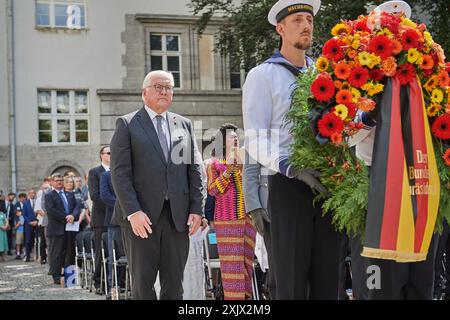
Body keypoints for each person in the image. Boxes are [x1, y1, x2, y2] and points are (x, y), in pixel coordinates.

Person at [243, 0, 343, 299]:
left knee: (330, 279)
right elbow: (255, 137)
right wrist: (289, 165)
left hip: (328, 185)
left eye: (309, 19)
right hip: (289, 185)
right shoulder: (263, 75)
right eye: (298, 19)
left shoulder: (325, 75)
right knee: (290, 282)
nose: (306, 25)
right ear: (281, 28)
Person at [110, 70, 204, 300]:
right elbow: (120, 173)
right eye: (158, 87)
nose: (164, 91)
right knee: (143, 285)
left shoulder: (184, 124)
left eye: (169, 87)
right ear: (144, 93)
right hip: (141, 219)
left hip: (177, 217)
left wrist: (196, 209)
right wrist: (133, 212)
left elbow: (193, 170)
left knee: (174, 285)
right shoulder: (128, 124)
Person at [206, 123, 256, 300]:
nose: (235, 138)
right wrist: (227, 173)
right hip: (227, 220)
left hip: (248, 219)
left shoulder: (244, 159)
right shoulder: (214, 163)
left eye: (236, 135)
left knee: (246, 265)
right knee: (231, 266)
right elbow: (212, 190)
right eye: (231, 136)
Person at [242, 150, 275, 299]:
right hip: (271, 209)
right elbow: (250, 169)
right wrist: (254, 207)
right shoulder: (258, 129)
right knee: (279, 271)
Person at [45, 173, 80, 285]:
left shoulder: (69, 194)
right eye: (57, 180)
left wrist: (73, 216)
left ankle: (69, 277)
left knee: (69, 253)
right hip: (56, 228)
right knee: (56, 254)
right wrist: (66, 217)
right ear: (52, 182)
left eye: (61, 180)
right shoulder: (49, 195)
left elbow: (76, 207)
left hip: (69, 229)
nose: (59, 182)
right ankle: (56, 277)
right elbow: (51, 210)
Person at [88, 145, 110, 294]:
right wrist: (116, 205)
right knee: (101, 252)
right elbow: (95, 195)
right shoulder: (95, 172)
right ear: (101, 155)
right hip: (101, 218)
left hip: (117, 219)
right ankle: (99, 283)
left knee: (116, 252)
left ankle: (117, 282)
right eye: (109, 152)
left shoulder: (119, 170)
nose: (112, 155)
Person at [99, 169, 122, 300]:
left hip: (133, 221)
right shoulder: (106, 176)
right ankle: (113, 287)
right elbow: (105, 195)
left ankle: (130, 286)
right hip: (114, 221)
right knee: (113, 256)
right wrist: (124, 205)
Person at [23, 190, 38, 262]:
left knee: (38, 240)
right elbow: (24, 214)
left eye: (34, 193)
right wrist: (30, 222)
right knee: (28, 240)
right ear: (29, 194)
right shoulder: (26, 203)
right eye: (31, 193)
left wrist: (37, 221)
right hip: (29, 225)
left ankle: (38, 256)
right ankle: (27, 256)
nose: (33, 194)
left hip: (37, 224)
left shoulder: (37, 202)